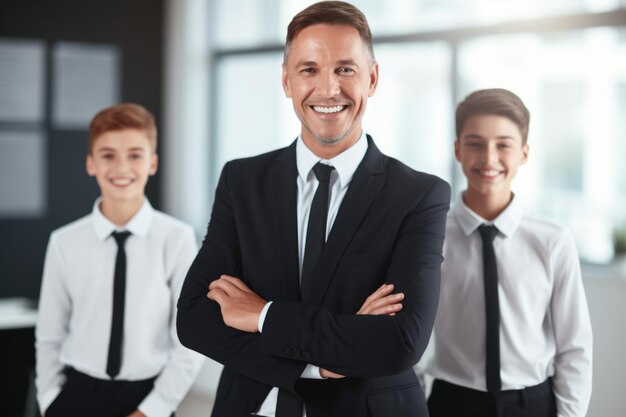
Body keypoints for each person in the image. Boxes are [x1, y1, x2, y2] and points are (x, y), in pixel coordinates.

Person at [176, 2, 451, 417]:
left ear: (372, 78)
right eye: (309, 70)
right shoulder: (242, 181)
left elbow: (400, 342)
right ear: (286, 81)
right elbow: (195, 319)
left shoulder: (418, 194)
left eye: (345, 69)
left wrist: (262, 315)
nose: (327, 89)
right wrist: (320, 363)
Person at [426, 88, 593, 417]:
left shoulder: (552, 240)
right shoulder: (430, 237)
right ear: (458, 149)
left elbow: (575, 347)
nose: (489, 158)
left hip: (531, 403)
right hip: (451, 402)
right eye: (475, 143)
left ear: (524, 153)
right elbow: (409, 335)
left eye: (503, 145)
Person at [35, 103, 204, 417]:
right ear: (91, 163)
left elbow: (190, 340)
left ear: (152, 163)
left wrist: (154, 409)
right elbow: (49, 334)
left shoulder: (176, 239)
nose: (121, 167)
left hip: (147, 396)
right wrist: (49, 400)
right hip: (76, 395)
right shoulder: (64, 242)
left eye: (135, 155)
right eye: (108, 155)